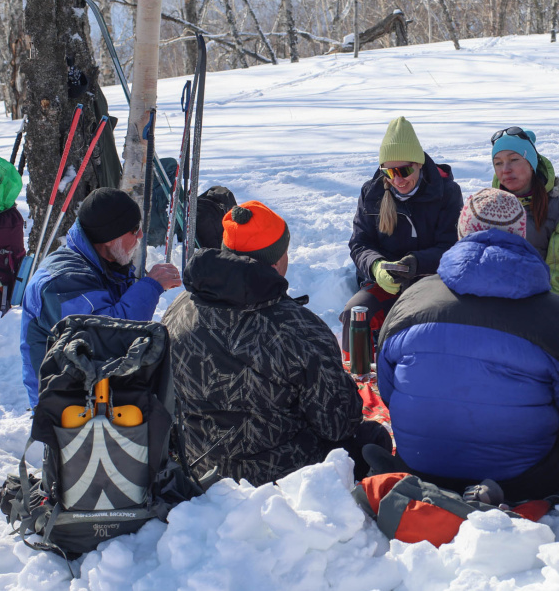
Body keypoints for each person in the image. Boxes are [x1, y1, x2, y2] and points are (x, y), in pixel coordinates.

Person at [375, 188, 559, 503]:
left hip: (422, 466)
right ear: (521, 235)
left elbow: (388, 390)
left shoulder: (412, 298)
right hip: (525, 478)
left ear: (462, 232)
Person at [163, 201, 390, 486]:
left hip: (196, 463)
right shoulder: (298, 328)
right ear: (276, 262)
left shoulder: (179, 308)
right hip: (279, 477)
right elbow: (339, 424)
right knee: (371, 439)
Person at [20, 187, 181, 409]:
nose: (141, 236)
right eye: (134, 230)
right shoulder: (63, 281)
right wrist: (151, 286)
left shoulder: (104, 263)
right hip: (65, 408)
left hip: (89, 389)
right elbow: (107, 339)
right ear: (109, 237)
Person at [342, 116, 463, 358]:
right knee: (355, 314)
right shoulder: (372, 192)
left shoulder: (446, 192)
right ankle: (359, 378)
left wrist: (417, 262)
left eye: (404, 170)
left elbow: (451, 246)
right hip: (385, 281)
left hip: (430, 279)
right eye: (389, 171)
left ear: (419, 164)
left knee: (423, 324)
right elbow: (360, 243)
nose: (397, 179)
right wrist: (376, 267)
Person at [491, 127, 559, 299]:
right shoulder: (486, 209)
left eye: (514, 159)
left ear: (532, 165)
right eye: (498, 163)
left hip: (542, 309)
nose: (506, 169)